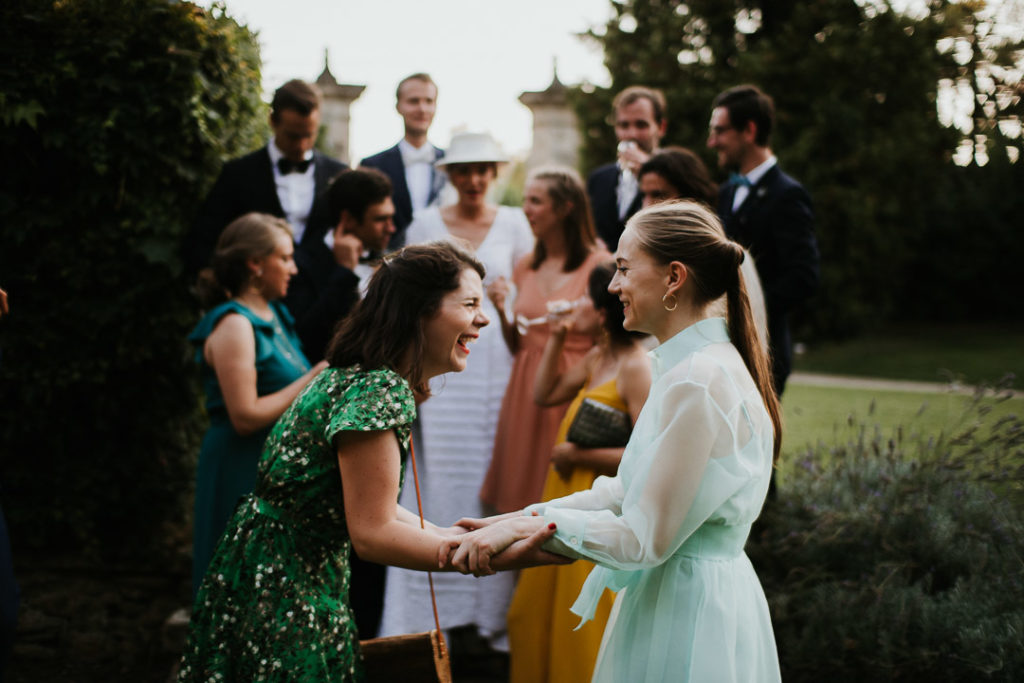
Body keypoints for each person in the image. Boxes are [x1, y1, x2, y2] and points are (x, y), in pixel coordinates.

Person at [177, 242, 564, 681]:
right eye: (470, 304)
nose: (484, 318)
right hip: (287, 593)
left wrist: (451, 533)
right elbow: (372, 534)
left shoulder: (351, 374)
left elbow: (366, 502)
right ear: (420, 309)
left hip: (265, 574)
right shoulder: (380, 390)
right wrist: (479, 554)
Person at [451, 200, 784, 682]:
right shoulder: (689, 368)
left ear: (674, 278)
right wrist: (519, 519)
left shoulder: (698, 379)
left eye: (624, 269)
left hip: (687, 611)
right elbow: (625, 491)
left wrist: (528, 535)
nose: (612, 286)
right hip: (680, 594)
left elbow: (642, 537)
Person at [378, 133, 533, 645]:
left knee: (494, 484)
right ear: (450, 175)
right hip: (440, 373)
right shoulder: (424, 224)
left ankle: (489, 619)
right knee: (435, 483)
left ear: (495, 173)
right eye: (464, 171)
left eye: (483, 170)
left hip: (498, 369)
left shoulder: (515, 222)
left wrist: (509, 304)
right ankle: (423, 619)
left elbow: (533, 303)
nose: (473, 180)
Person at [506, 262, 651, 683]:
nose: (579, 303)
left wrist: (579, 456)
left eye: (587, 297)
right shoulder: (597, 356)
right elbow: (544, 393)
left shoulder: (636, 367)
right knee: (530, 612)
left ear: (604, 311)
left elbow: (645, 455)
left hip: (596, 507)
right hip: (563, 496)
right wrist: (557, 337)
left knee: (579, 627)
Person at [188, 213, 327, 596]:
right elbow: (245, 416)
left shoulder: (277, 315)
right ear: (255, 263)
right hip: (239, 467)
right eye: (284, 258)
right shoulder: (235, 324)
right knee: (241, 585)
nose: (293, 268)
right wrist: (311, 378)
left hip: (274, 472)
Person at [481, 167, 610, 516]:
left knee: (559, 498)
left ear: (566, 207)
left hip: (571, 386)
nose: (527, 209)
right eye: (525, 200)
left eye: (536, 201)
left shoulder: (600, 265)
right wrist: (501, 310)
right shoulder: (525, 266)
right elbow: (519, 344)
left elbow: (611, 339)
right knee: (520, 496)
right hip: (524, 389)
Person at [707, 84, 819, 397]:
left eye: (720, 131)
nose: (711, 142)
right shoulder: (726, 192)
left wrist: (743, 310)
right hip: (720, 347)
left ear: (749, 130)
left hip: (764, 352)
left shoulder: (787, 195)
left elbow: (804, 276)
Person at [184, 80, 347, 274]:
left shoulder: (338, 174)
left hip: (321, 296)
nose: (301, 146)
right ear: (272, 120)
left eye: (308, 136)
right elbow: (204, 238)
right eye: (293, 136)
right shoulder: (237, 173)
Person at [638, 148, 769, 347]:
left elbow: (751, 335)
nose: (647, 206)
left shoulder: (726, 256)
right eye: (644, 195)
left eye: (658, 194)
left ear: (689, 196)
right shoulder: (644, 257)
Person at [287, 168, 396, 362]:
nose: (391, 228)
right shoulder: (300, 265)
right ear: (348, 219)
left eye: (391, 217)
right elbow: (306, 337)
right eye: (380, 219)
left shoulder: (387, 261)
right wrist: (344, 272)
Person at [361, 73, 446, 249]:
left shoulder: (453, 165)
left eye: (429, 101)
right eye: (413, 101)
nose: (422, 109)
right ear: (398, 106)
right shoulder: (372, 166)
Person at [586, 86, 667, 252]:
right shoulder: (598, 179)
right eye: (624, 125)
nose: (632, 134)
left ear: (660, 128)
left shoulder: (673, 175)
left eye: (641, 125)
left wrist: (648, 170)